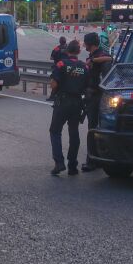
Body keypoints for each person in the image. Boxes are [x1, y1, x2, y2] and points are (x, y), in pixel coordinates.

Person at [48, 41, 89, 175]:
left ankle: (59, 163)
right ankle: (72, 165)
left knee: (55, 131)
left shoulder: (61, 64)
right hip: (77, 102)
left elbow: (54, 84)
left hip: (63, 102)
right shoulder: (85, 67)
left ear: (67, 52)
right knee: (74, 132)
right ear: (78, 52)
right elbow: (88, 87)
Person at [79, 31, 113, 172]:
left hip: (96, 96)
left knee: (92, 129)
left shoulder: (99, 56)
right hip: (96, 96)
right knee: (97, 128)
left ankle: (92, 160)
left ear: (89, 43)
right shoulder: (95, 56)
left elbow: (109, 58)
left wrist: (92, 62)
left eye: (85, 43)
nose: (84, 45)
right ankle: (98, 158)